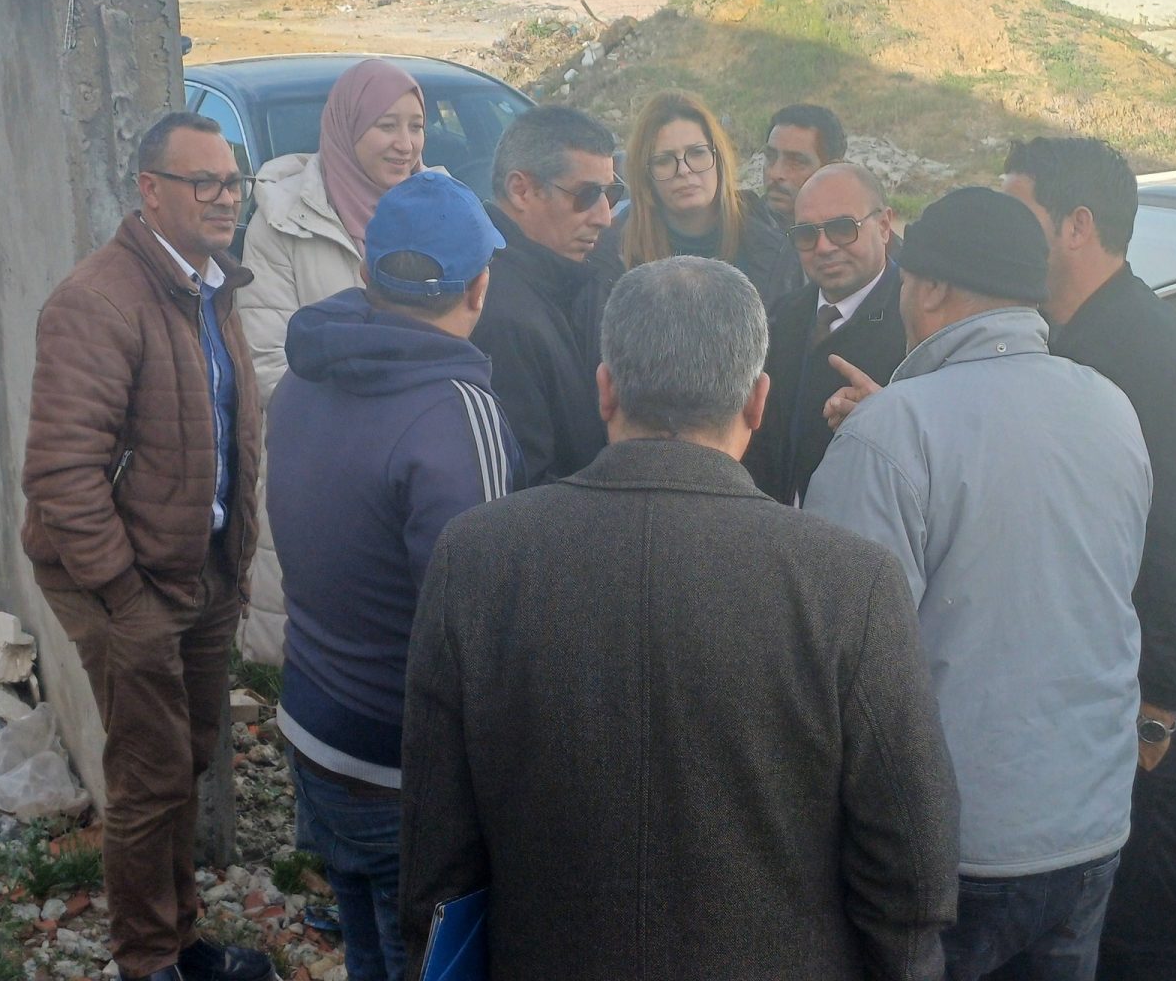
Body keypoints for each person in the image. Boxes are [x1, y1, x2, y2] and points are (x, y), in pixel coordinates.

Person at [398, 256, 960, 981]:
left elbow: (436, 849)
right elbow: (912, 864)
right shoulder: (850, 582)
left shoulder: (478, 557)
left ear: (605, 389)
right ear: (757, 402)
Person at [805, 187, 1150, 981]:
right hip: (1090, 824)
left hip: (955, 848)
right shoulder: (1110, 406)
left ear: (929, 287)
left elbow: (840, 662)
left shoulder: (896, 432)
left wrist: (887, 434)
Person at [21, 112, 273, 981]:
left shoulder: (209, 287)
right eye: (203, 182)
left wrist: (230, 563)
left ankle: (181, 939)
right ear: (150, 190)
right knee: (147, 773)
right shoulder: (97, 301)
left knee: (186, 757)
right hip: (121, 582)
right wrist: (124, 596)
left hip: (198, 567)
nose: (224, 198)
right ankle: (148, 960)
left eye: (233, 181)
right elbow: (61, 474)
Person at [999, 137, 1176, 981]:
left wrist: (1158, 713)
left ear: (1077, 226)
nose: (1004, 231)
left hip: (1145, 699)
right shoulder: (1053, 338)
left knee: (1142, 927)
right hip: (1082, 688)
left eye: (1018, 213)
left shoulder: (1167, 366)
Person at [265, 171, 521, 981]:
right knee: (427, 959)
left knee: (366, 947)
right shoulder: (457, 413)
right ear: (479, 287)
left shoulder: (305, 372)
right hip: (400, 769)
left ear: (365, 273)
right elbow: (483, 628)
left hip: (314, 728)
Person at [237, 58, 427, 665]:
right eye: (386, 126)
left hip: (414, 464)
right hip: (318, 464)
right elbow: (268, 365)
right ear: (347, 129)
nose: (405, 144)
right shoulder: (282, 223)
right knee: (320, 657)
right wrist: (386, 410)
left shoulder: (439, 211)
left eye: (416, 125)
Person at [470, 105, 622, 485]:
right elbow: (525, 487)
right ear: (521, 190)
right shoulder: (494, 310)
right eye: (587, 194)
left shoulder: (588, 273)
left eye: (611, 193)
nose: (605, 217)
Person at [743, 162, 905, 505]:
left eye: (842, 228)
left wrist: (888, 418)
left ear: (884, 226)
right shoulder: (781, 316)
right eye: (806, 234)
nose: (824, 247)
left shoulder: (915, 322)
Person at [616, 90, 802, 303]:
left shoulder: (774, 247)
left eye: (697, 153)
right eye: (664, 160)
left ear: (719, 158)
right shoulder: (616, 251)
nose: (684, 170)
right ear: (645, 174)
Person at [758, 102, 847, 228]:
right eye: (770, 157)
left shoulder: (855, 232)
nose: (775, 173)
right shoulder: (738, 229)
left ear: (831, 170)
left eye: (796, 162)